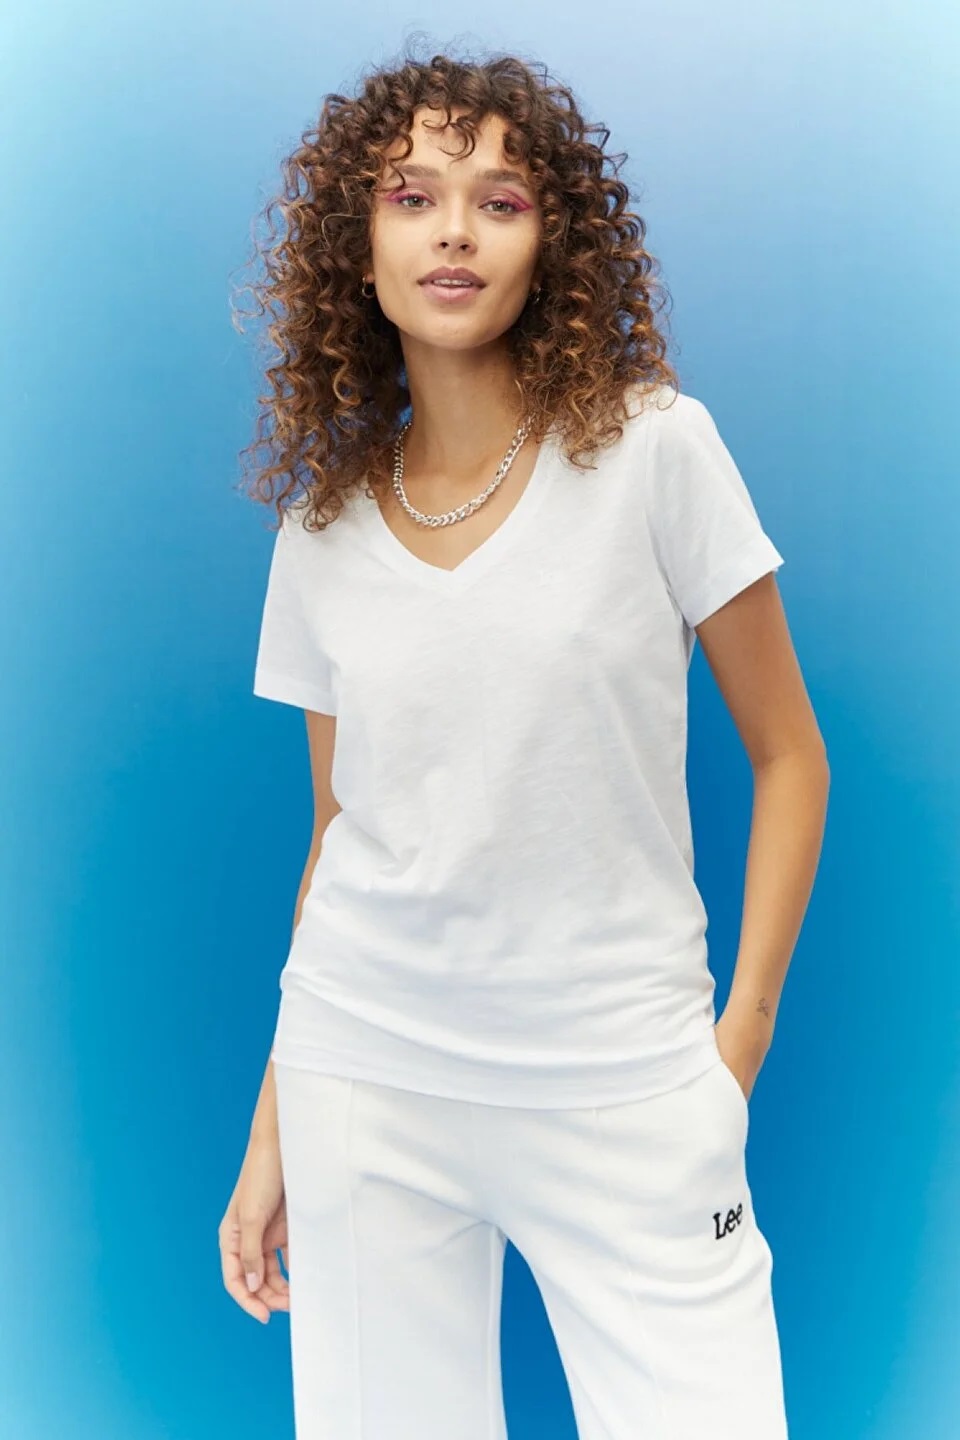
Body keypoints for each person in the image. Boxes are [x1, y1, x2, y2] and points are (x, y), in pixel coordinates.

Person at [218, 46, 830, 1440]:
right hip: (365, 1078)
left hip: (625, 1084)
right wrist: (274, 1125)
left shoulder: (656, 451)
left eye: (498, 200)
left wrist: (733, 1049)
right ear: (356, 248)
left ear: (553, 245)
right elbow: (336, 837)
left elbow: (791, 757)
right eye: (412, 197)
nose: (453, 231)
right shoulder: (321, 529)